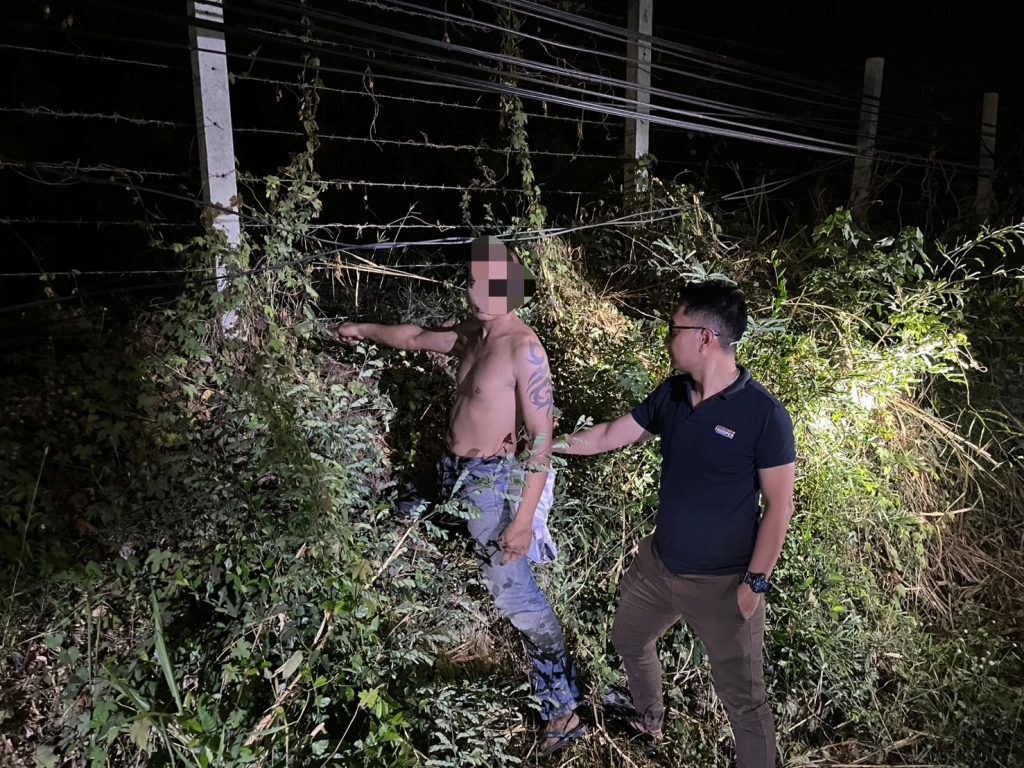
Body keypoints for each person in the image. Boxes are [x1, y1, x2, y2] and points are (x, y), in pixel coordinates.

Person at [333, 236, 584, 754]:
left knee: (514, 593)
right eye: (472, 281)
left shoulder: (523, 350)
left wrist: (523, 521)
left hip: (489, 484)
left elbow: (541, 441)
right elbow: (415, 337)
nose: (474, 292)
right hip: (449, 474)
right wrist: (361, 328)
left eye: (487, 285)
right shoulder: (473, 334)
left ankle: (562, 709)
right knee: (389, 516)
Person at [554, 280, 795, 768]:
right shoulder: (673, 394)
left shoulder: (763, 415)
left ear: (705, 337)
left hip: (723, 585)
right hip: (658, 569)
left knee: (746, 705)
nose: (667, 338)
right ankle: (650, 721)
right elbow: (609, 434)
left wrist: (755, 583)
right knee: (628, 640)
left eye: (674, 328)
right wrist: (547, 446)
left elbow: (779, 506)